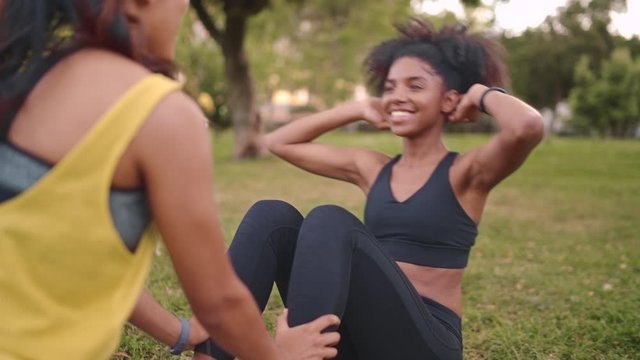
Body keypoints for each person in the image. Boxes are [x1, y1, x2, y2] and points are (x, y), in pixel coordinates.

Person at [0, 1, 339, 359]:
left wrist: (182, 333)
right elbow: (219, 302)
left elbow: (80, 259)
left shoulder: (24, 83)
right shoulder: (160, 114)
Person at [193, 18, 544, 359]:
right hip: (358, 335)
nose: (397, 96)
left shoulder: (465, 173)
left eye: (415, 86)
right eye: (390, 87)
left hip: (425, 343)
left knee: (330, 220)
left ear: (449, 101)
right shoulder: (374, 169)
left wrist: (480, 94)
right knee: (272, 215)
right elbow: (279, 142)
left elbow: (526, 127)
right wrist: (356, 108)